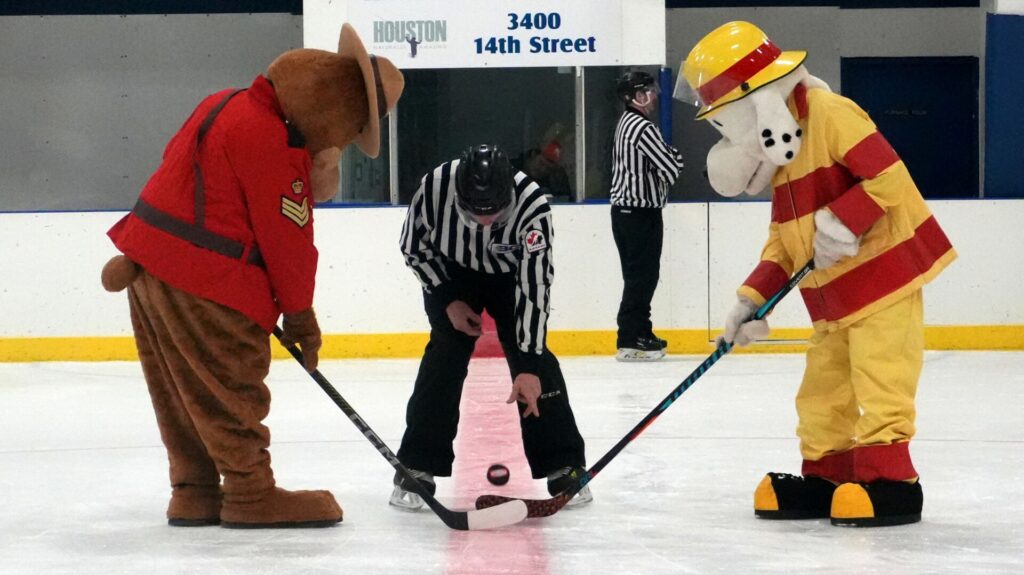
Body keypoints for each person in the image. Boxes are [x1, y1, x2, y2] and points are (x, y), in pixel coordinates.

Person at [99, 24, 404, 528]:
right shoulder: (272, 142)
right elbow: (288, 243)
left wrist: (142, 249)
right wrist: (301, 318)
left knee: (178, 390)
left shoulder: (222, 102)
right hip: (210, 280)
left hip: (147, 264)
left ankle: (193, 489)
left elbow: (177, 169)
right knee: (229, 388)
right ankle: (249, 493)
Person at [677, 21, 956, 526]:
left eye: (723, 118)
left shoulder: (830, 113)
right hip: (831, 299)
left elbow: (890, 177)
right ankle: (826, 476)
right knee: (822, 394)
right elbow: (784, 242)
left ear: (753, 100)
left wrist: (843, 220)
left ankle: (892, 484)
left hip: (883, 283)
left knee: (881, 381)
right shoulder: (782, 151)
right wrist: (750, 300)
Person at [391, 144, 591, 510]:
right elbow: (413, 248)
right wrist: (448, 297)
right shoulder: (434, 187)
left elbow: (535, 286)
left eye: (494, 213)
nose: (485, 223)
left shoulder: (532, 205)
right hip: (451, 273)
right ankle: (417, 464)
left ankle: (563, 462)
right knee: (446, 352)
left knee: (537, 363)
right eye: (474, 213)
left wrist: (528, 366)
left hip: (510, 279)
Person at [609, 71, 684, 362]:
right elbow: (671, 168)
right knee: (642, 277)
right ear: (635, 96)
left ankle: (639, 332)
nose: (653, 97)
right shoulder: (642, 127)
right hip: (639, 214)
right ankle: (631, 339)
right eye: (647, 92)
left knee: (637, 277)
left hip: (626, 214)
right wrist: (674, 157)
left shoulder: (625, 123)